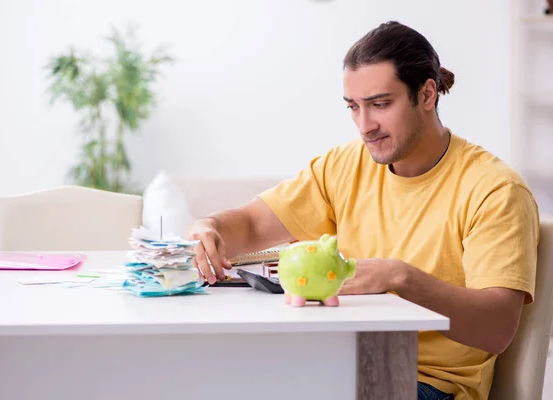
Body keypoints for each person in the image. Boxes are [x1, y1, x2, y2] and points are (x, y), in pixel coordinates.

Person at [185, 21, 540, 400]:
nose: (365, 125)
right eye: (354, 107)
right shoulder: (344, 166)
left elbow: (497, 328)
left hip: (423, 383)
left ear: (427, 94)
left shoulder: (495, 189)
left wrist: (399, 278)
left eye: (380, 105)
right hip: (338, 365)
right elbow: (253, 224)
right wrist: (211, 227)